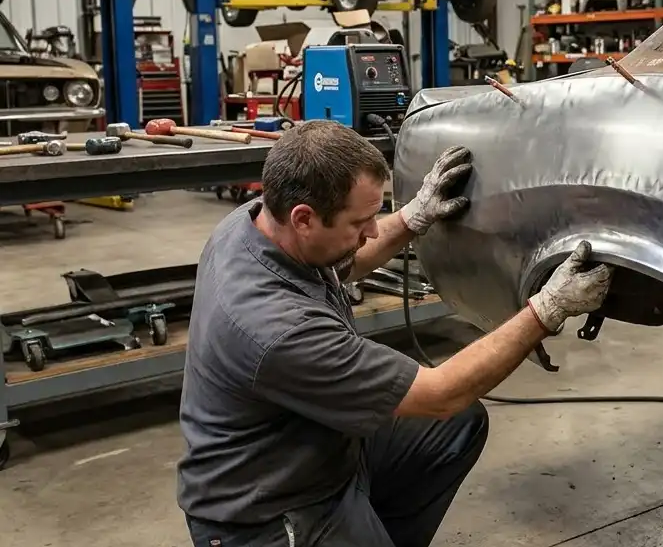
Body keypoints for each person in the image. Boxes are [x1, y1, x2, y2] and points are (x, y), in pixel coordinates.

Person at [177, 120, 614, 547]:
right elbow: (440, 391)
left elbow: (344, 260)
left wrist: (412, 217)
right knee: (445, 406)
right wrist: (546, 310)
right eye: (359, 222)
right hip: (269, 511)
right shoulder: (276, 329)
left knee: (453, 428)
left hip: (315, 447)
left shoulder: (254, 224)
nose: (371, 231)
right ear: (304, 218)